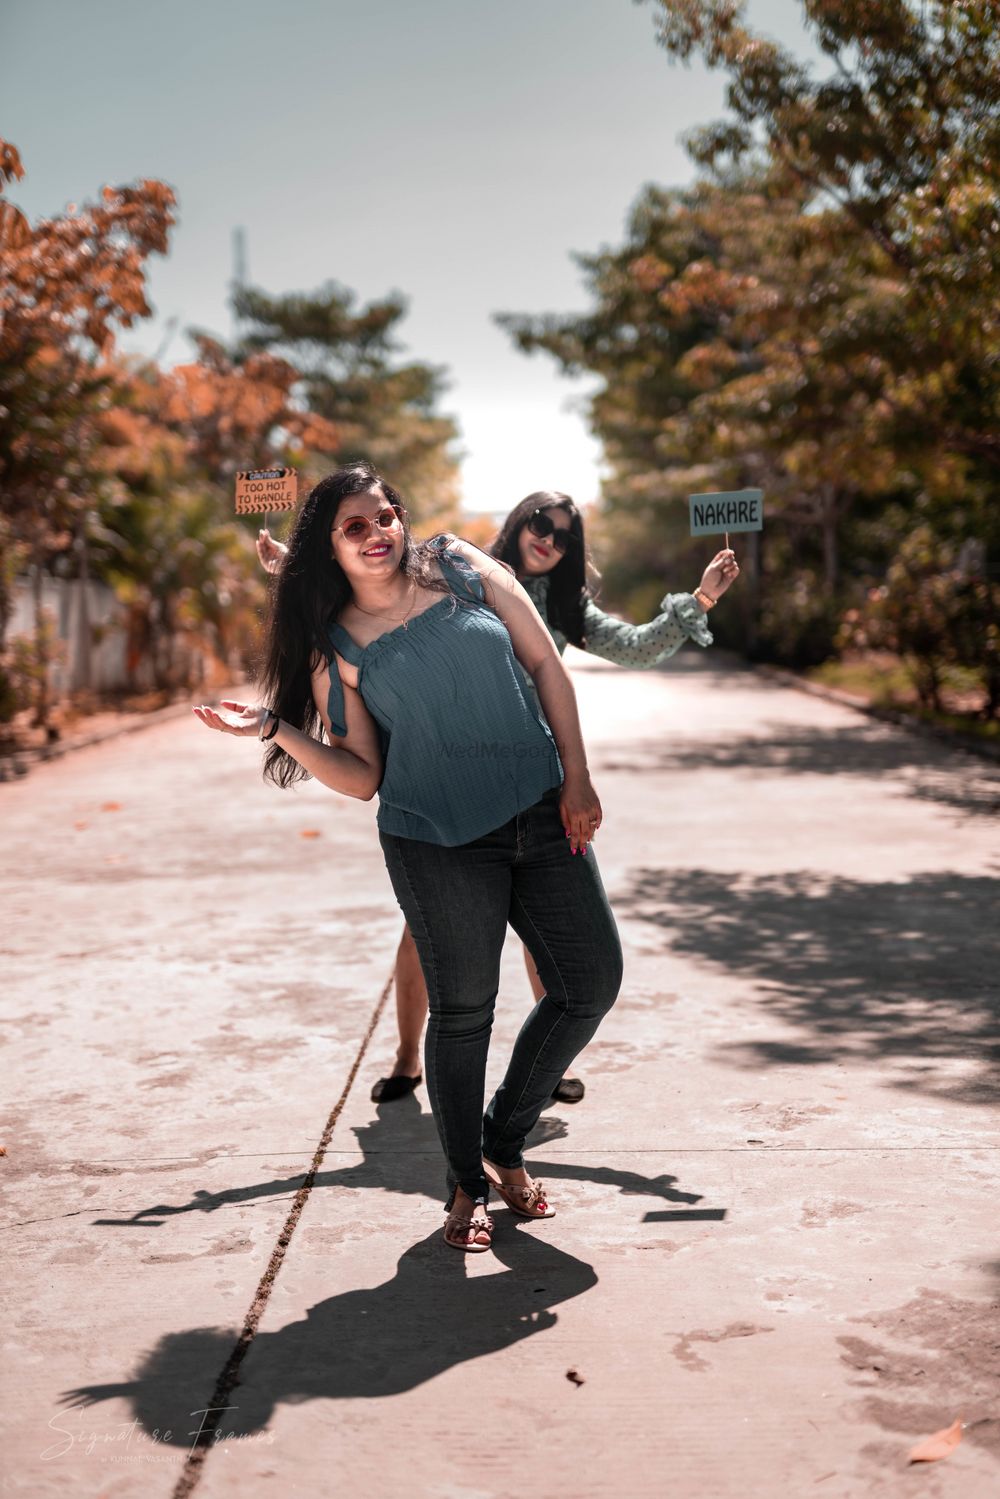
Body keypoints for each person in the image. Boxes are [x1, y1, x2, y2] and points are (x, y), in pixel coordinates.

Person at [196, 462, 624, 1253]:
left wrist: (578, 776)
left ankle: (503, 1135)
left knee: (592, 980)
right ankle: (467, 1179)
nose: (377, 531)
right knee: (463, 1012)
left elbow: (545, 665)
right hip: (436, 839)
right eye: (354, 526)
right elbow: (361, 777)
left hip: (540, 808)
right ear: (328, 549)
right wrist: (274, 729)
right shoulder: (336, 646)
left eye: (384, 515)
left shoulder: (461, 565)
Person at [256, 489, 739, 1105]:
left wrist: (701, 598)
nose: (550, 539)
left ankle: (547, 1064)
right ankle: (408, 1057)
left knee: (550, 935)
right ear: (519, 522)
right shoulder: (462, 570)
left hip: (527, 777)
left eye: (565, 536)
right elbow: (375, 583)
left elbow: (636, 646)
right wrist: (291, 565)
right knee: (426, 937)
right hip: (443, 788)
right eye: (541, 523)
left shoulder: (568, 608)